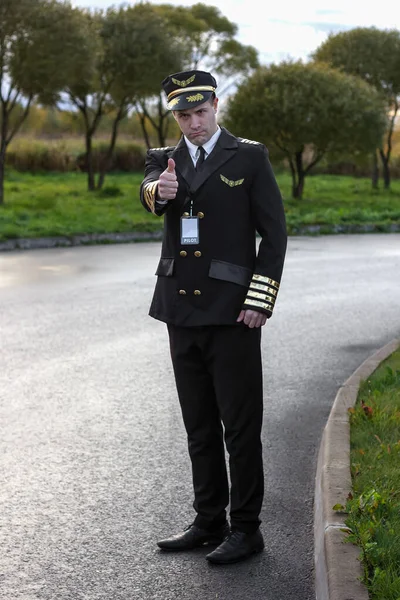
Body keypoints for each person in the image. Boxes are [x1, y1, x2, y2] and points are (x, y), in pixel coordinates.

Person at [140, 70, 287, 565]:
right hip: (181, 310)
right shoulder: (166, 160)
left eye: (201, 112)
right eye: (183, 114)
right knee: (198, 425)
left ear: (216, 105)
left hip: (232, 314)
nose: (193, 122)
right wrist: (158, 192)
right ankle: (208, 520)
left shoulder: (248, 156)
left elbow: (275, 234)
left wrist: (259, 300)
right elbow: (149, 197)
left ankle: (247, 529)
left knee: (240, 428)